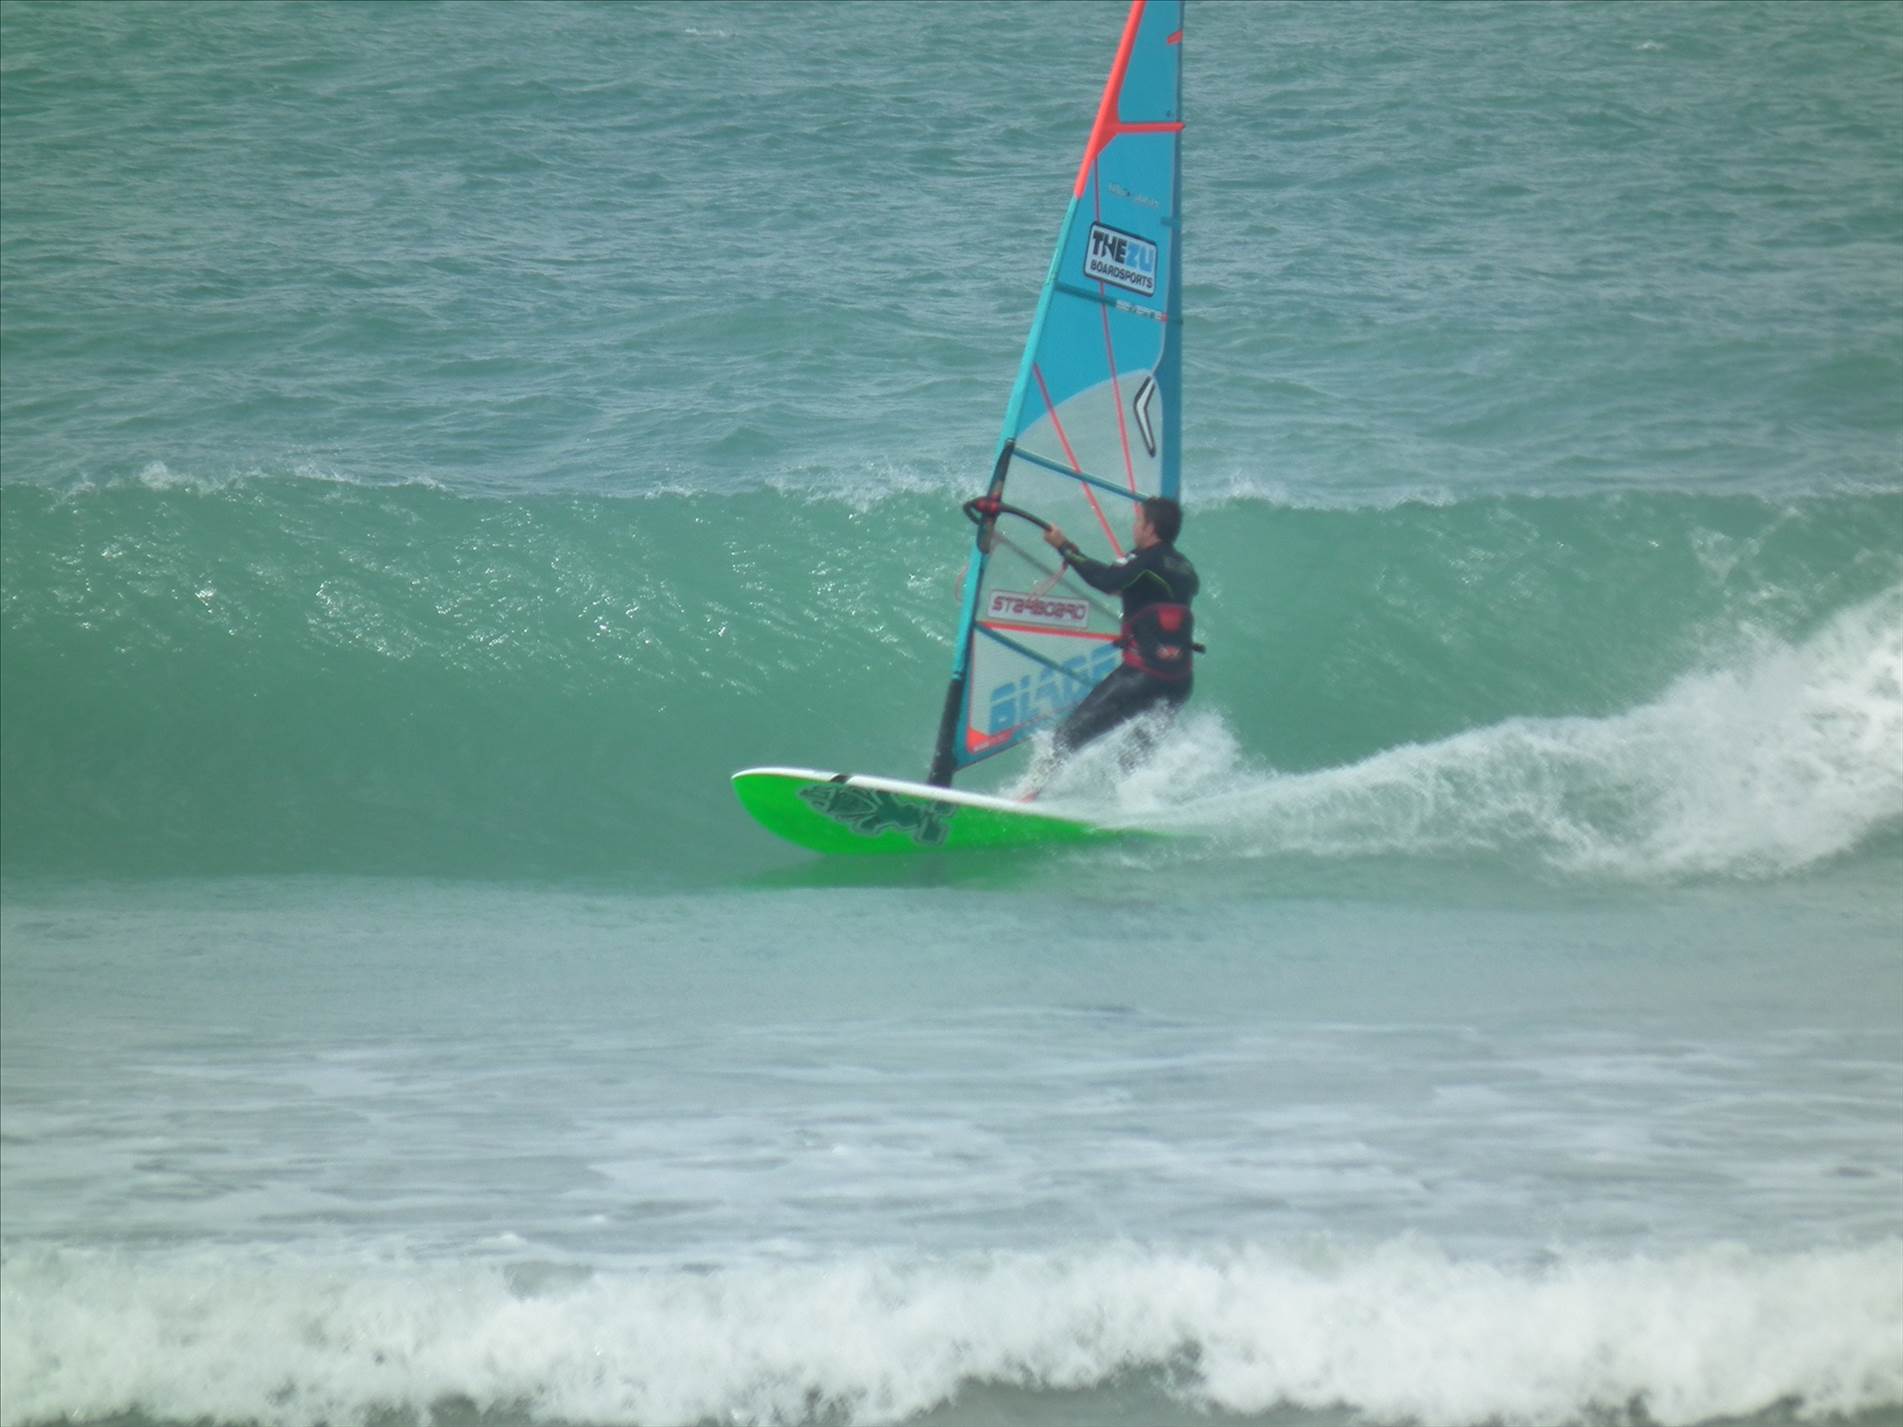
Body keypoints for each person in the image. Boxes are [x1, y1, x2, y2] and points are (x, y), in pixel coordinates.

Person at [1036, 494, 1199, 783]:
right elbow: (1133, 588)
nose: (1134, 527)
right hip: (1179, 682)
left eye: (1138, 521)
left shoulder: (1146, 560)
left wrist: (1064, 547)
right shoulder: (1186, 568)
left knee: (1065, 738)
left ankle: (1026, 795)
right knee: (1132, 761)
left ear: (1150, 528)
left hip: (1142, 677)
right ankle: (1137, 803)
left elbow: (1107, 581)